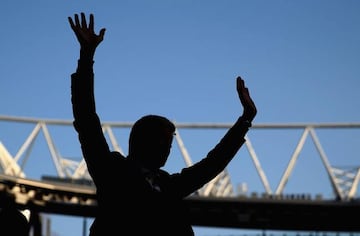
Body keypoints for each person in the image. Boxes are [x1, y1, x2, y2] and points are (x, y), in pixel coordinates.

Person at [68, 12, 257, 236]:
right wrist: (86, 57)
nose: (168, 148)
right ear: (141, 141)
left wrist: (246, 119)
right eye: (163, 141)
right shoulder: (112, 171)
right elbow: (86, 120)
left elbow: (212, 165)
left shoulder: (169, 184)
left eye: (169, 143)